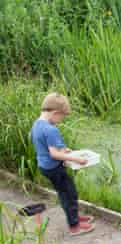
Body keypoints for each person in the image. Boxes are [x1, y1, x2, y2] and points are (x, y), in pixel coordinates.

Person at [30, 93, 94, 236]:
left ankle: (74, 217)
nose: (61, 120)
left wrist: (63, 150)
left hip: (45, 166)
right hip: (54, 168)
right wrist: (76, 159)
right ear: (55, 113)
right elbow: (54, 154)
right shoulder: (51, 129)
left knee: (66, 192)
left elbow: (44, 145)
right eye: (62, 117)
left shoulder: (37, 125)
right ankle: (74, 226)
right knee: (69, 194)